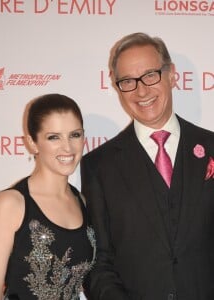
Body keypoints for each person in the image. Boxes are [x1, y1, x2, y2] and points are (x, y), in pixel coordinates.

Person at [81, 32, 214, 300]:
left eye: (150, 75)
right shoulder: (99, 166)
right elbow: (97, 262)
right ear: (117, 87)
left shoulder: (211, 147)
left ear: (172, 74)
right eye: (128, 81)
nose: (141, 91)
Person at [0, 93, 96, 300]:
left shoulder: (82, 201)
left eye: (75, 135)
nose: (67, 147)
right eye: (54, 137)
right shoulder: (11, 204)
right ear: (32, 143)